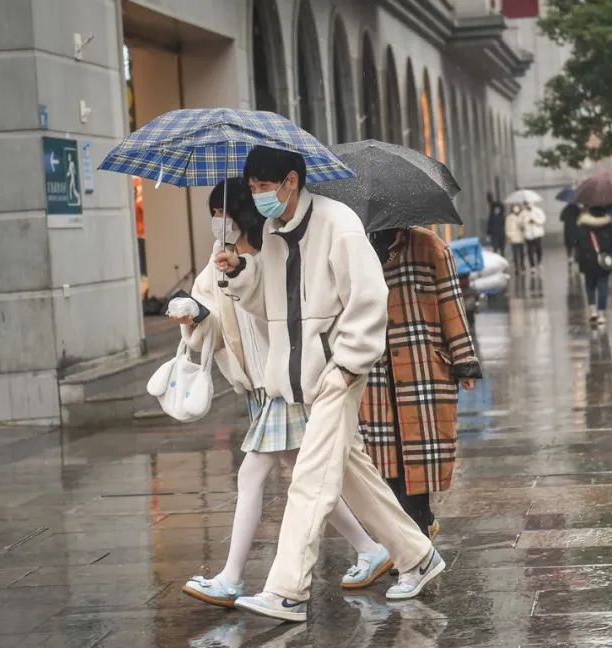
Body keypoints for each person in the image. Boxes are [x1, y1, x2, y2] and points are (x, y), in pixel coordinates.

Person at [214, 146, 441, 623]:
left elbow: (370, 296)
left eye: (262, 187)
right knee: (357, 480)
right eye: (253, 188)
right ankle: (419, 557)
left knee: (310, 480)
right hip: (296, 380)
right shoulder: (274, 233)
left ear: (290, 181)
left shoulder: (338, 223)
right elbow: (270, 307)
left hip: (336, 374)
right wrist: (240, 274)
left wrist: (347, 365)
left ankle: (286, 589)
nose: (257, 197)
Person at [176, 178, 388, 605]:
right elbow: (214, 323)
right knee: (304, 472)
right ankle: (371, 549)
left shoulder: (275, 252)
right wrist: (193, 316)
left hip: (286, 381)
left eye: (225, 212)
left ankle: (232, 577)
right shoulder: (217, 264)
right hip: (257, 387)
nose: (219, 222)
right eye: (214, 213)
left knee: (252, 473)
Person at [362, 227, 481, 541]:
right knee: (384, 457)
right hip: (374, 370)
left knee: (416, 452)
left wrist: (464, 360)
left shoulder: (430, 247)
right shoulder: (355, 245)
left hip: (422, 367)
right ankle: (413, 531)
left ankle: (416, 534)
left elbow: (451, 304)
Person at [576, 206, 612, 327]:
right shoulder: (607, 223)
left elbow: (578, 242)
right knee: (602, 285)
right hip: (603, 258)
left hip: (587, 259)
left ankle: (593, 311)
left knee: (590, 284)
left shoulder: (582, 223)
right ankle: (601, 313)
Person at [522, 202, 546, 271]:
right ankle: (532, 266)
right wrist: (527, 222)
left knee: (539, 249)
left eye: (529, 203)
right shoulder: (523, 213)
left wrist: (535, 221)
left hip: (537, 233)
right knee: (530, 251)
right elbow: (521, 222)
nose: (528, 205)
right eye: (526, 204)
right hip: (528, 234)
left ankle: (539, 262)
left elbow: (542, 219)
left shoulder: (538, 210)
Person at [505, 204, 526, 272]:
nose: (516, 209)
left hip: (521, 236)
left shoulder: (522, 216)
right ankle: (517, 267)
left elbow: (525, 225)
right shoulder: (509, 217)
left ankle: (522, 265)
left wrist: (522, 227)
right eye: (514, 207)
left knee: (522, 253)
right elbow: (507, 227)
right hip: (513, 237)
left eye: (517, 207)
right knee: (515, 253)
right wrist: (509, 236)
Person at [560, 202, 581, 268]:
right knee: (577, 245)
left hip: (567, 229)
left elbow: (561, 218)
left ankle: (569, 257)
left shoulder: (565, 209)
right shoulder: (578, 208)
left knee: (568, 245)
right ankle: (576, 258)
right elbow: (580, 217)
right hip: (576, 229)